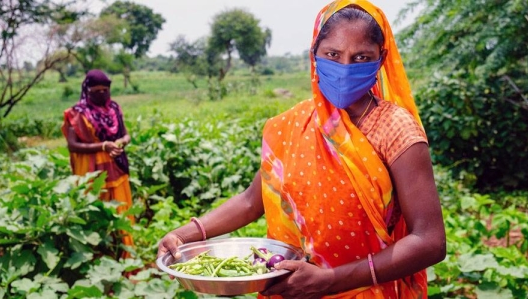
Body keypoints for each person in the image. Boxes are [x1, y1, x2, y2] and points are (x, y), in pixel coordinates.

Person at [158, 0, 446, 298]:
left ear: (381, 58)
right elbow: (250, 202)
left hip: (368, 289)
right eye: (333, 54)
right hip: (293, 288)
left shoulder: (395, 129)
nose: (345, 67)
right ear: (315, 54)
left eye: (361, 57)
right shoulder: (291, 125)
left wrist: (331, 280)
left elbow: (429, 240)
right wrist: (184, 234)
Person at [62, 69, 135, 259]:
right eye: (97, 91)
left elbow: (126, 134)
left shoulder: (114, 109)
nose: (102, 94)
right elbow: (72, 145)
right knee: (97, 212)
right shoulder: (77, 114)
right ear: (87, 91)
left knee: (120, 213)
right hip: (92, 172)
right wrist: (103, 146)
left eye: (105, 90)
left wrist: (121, 142)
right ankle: (100, 257)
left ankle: (125, 257)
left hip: (116, 167)